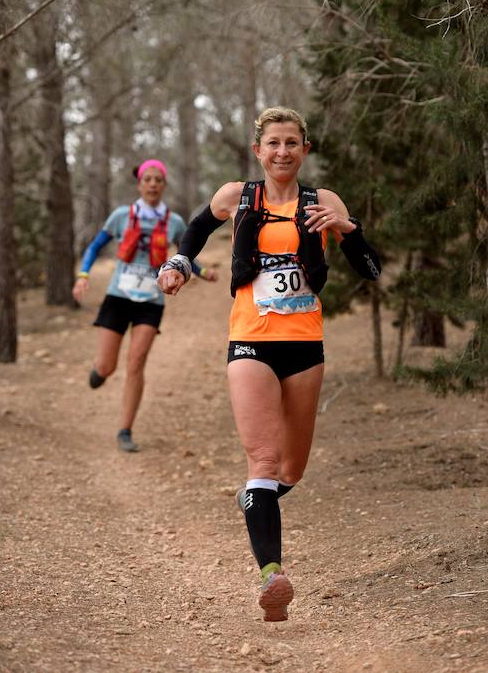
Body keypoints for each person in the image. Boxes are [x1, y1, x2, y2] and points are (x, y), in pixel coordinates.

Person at [157, 108, 381, 622]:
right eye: (273, 143)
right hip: (250, 341)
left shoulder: (323, 202)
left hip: (305, 348)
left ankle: (256, 500)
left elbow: (370, 270)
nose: (282, 152)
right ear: (258, 150)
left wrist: (346, 228)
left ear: (306, 149)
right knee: (262, 462)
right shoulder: (237, 196)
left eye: (292, 143)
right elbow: (194, 232)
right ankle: (271, 574)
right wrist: (177, 265)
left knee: (290, 470)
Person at [73, 159, 217, 453]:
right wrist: (83, 275)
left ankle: (125, 430)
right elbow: (95, 247)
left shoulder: (174, 222)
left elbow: (186, 255)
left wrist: (204, 272)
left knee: (136, 364)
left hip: (150, 301)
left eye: (158, 180)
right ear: (139, 184)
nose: (152, 184)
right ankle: (100, 371)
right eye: (147, 179)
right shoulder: (120, 216)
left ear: (163, 186)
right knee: (107, 365)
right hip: (118, 297)